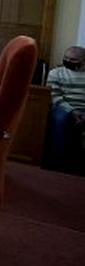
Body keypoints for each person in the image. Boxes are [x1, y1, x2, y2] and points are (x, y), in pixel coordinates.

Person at [45, 45, 85, 174]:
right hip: (63, 107)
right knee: (59, 119)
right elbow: (55, 96)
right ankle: (59, 160)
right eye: (66, 58)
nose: (68, 61)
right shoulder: (55, 73)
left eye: (73, 59)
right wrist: (73, 112)